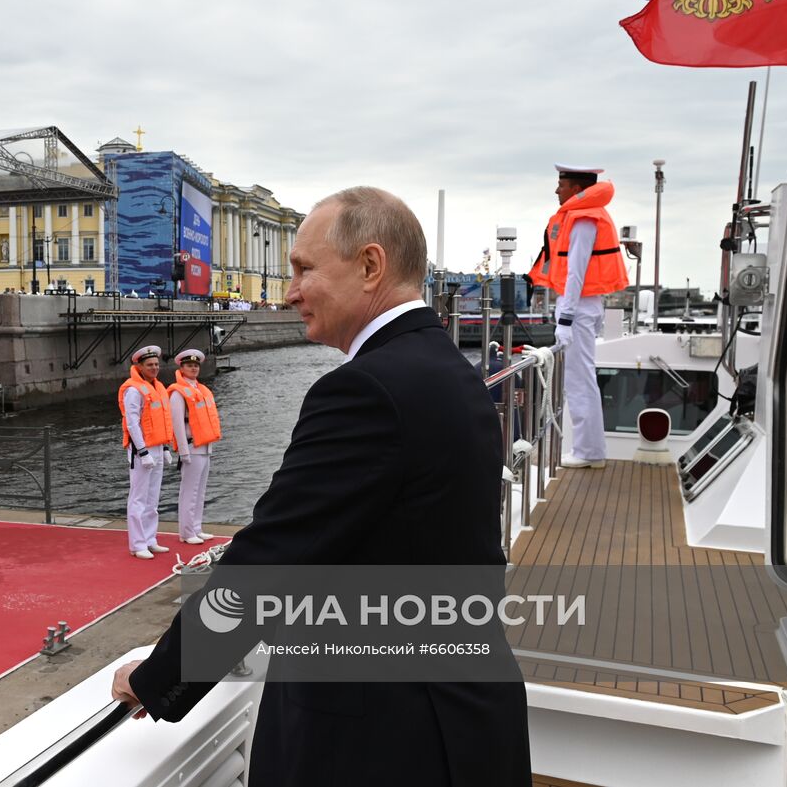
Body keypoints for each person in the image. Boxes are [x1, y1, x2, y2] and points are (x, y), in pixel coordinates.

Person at [112, 186, 530, 785]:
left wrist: (159, 679)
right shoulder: (450, 370)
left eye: (304, 268)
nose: (290, 291)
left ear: (369, 266)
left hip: (386, 739)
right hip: (463, 715)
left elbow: (272, 558)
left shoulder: (365, 391)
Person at [528, 164, 629, 470]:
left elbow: (576, 271)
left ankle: (588, 452)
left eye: (561, 184)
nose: (557, 190)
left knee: (579, 380)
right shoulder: (583, 215)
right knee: (580, 379)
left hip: (580, 309)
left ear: (575, 189)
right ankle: (589, 449)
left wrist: (566, 319)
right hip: (582, 307)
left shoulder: (584, 219)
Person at [117, 345, 175, 560]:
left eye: (156, 364)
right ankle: (137, 543)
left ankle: (150, 539)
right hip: (142, 450)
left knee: (153, 498)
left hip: (158, 447)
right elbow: (132, 423)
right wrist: (142, 452)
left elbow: (162, 421)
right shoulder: (134, 389)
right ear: (139, 366)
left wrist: (166, 447)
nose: (154, 368)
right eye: (149, 365)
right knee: (138, 498)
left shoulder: (158, 387)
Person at [166, 349, 220, 545]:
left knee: (200, 491)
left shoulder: (201, 390)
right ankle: (187, 532)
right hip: (191, 447)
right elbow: (178, 424)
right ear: (181, 367)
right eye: (189, 365)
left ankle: (196, 527)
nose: (193, 368)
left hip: (205, 447)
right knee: (189, 491)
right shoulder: (178, 393)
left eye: (196, 365)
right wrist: (182, 451)